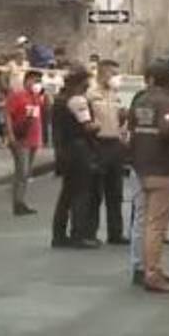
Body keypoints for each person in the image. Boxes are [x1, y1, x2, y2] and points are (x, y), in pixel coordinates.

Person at [129, 60, 169, 293]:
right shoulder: (165, 101)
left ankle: (143, 266)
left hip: (140, 165)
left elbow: (132, 129)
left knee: (142, 221)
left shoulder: (140, 99)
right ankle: (153, 272)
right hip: (161, 167)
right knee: (157, 224)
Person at [52, 66, 101, 248]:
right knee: (81, 193)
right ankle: (79, 234)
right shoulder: (78, 100)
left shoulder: (60, 100)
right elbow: (88, 127)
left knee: (66, 194)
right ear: (81, 83)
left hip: (64, 150)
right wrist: (98, 125)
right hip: (79, 150)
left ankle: (58, 234)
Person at [87, 59, 130, 244]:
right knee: (95, 192)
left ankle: (115, 233)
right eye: (112, 74)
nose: (115, 78)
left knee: (115, 192)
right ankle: (90, 232)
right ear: (102, 73)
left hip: (115, 144)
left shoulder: (116, 94)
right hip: (98, 143)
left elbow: (120, 118)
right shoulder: (90, 93)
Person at [6, 70, 44, 216]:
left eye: (38, 81)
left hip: (34, 137)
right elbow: (9, 115)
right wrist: (10, 135)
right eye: (34, 81)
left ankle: (21, 200)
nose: (36, 84)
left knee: (27, 172)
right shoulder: (17, 96)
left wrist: (41, 95)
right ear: (26, 81)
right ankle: (18, 202)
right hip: (21, 138)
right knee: (22, 170)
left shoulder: (36, 97)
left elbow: (45, 108)